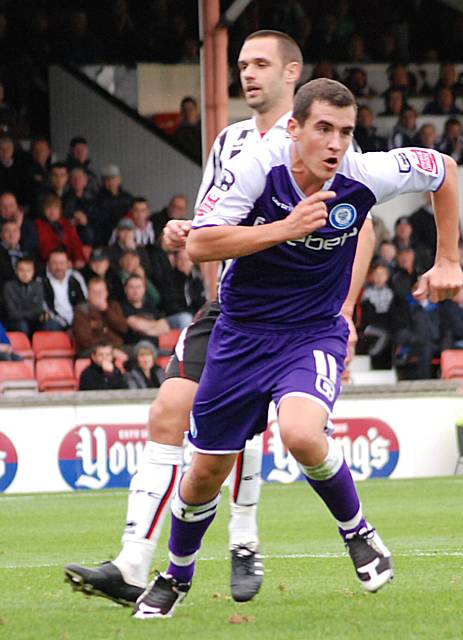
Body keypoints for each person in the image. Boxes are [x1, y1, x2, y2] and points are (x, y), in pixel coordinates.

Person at [64, 30, 376, 609]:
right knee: (169, 411)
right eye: (241, 65)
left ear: (292, 74)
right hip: (229, 307)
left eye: (260, 64)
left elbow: (364, 229)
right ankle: (134, 561)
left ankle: (243, 539)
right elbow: (211, 224)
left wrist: (345, 310)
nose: (247, 75)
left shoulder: (326, 143)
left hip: (299, 314)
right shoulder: (229, 141)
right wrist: (180, 232)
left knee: (250, 426)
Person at [133, 77, 463, 619]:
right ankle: (176, 575)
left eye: (346, 131)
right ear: (295, 128)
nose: (336, 144)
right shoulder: (255, 168)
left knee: (303, 433)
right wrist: (284, 228)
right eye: (324, 129)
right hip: (240, 333)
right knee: (203, 475)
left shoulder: (364, 172)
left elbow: (443, 170)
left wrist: (447, 258)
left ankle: (359, 533)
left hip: (311, 331)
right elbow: (199, 243)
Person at [72, 276, 127, 357]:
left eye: (101, 292)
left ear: (106, 293)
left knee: (141, 351)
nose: (98, 295)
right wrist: (109, 350)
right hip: (92, 349)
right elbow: (85, 340)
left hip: (117, 346)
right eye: (94, 292)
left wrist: (106, 310)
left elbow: (123, 328)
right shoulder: (81, 310)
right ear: (88, 294)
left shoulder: (113, 305)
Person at [42, 248, 87, 330]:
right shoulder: (42, 282)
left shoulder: (75, 278)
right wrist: (64, 322)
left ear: (68, 264)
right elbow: (46, 308)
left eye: (62, 263)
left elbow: (82, 302)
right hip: (55, 321)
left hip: (77, 320)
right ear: (48, 264)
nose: (58, 267)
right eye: (54, 263)